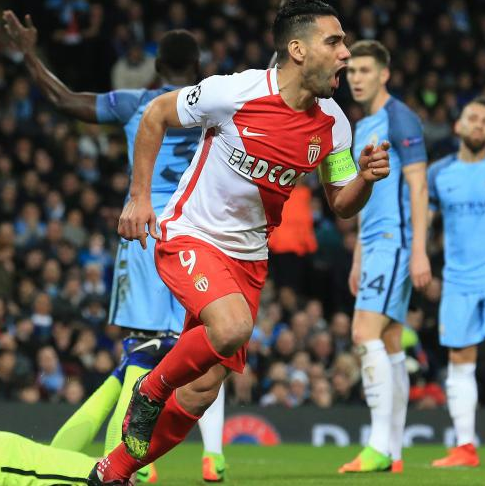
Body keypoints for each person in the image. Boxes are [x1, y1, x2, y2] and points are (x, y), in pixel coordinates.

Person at [89, 1, 391, 484]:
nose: (345, 53)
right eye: (334, 42)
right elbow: (156, 114)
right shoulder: (234, 92)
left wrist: (366, 180)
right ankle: (150, 389)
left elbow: (340, 201)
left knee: (202, 390)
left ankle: (113, 470)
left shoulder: (334, 124)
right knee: (232, 327)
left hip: (248, 259)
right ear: (298, 50)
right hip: (191, 234)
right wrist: (139, 198)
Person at [2, 11, 226, 483]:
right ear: (198, 66)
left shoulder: (135, 102)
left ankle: (120, 466)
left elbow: (64, 99)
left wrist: (30, 55)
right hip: (200, 235)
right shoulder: (217, 107)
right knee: (184, 346)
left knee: (144, 348)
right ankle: (130, 460)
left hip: (144, 230)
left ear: (157, 66)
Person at [339, 40, 431, 473]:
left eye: (364, 70)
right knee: (390, 341)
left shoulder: (400, 118)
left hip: (395, 241)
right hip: (374, 243)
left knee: (363, 333)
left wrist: (419, 251)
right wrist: (358, 256)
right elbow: (365, 200)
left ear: (384, 74)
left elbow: (418, 186)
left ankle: (376, 446)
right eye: (351, 71)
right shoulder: (362, 126)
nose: (356, 78)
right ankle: (393, 451)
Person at [427, 97, 485, 469]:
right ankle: (465, 447)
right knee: (460, 362)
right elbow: (424, 224)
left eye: (484, 120)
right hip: (459, 281)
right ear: (457, 125)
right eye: (473, 117)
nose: (479, 124)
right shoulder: (439, 173)